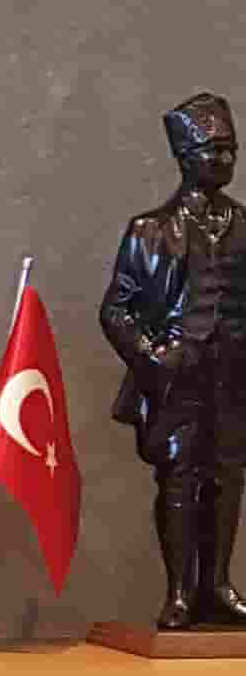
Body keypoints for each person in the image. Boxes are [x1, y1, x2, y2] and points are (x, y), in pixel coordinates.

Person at [100, 90, 246, 632]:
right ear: (185, 158)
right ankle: (181, 593)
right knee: (180, 478)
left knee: (228, 477)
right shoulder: (151, 230)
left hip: (233, 376)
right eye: (214, 150)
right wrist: (153, 356)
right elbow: (116, 309)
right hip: (177, 377)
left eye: (231, 150)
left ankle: (218, 585)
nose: (225, 160)